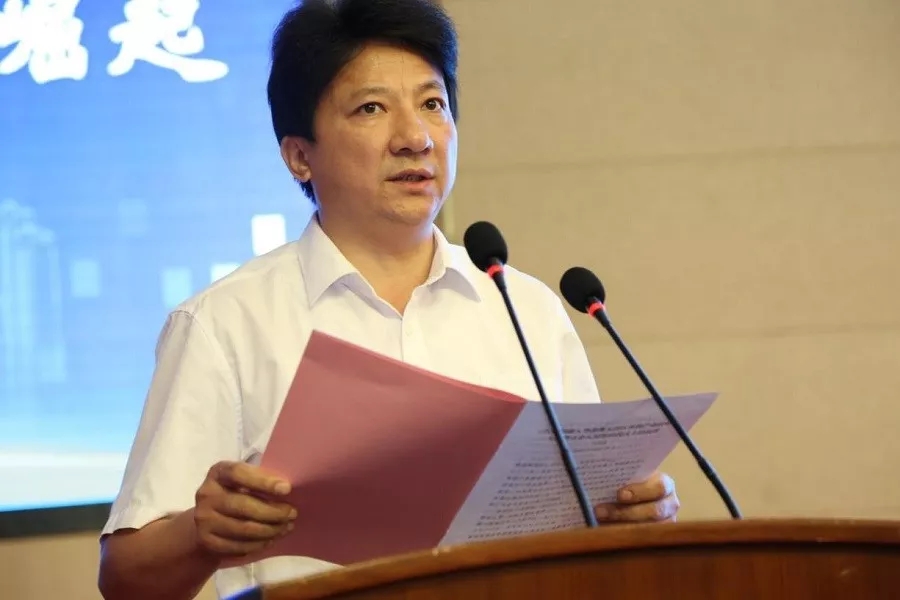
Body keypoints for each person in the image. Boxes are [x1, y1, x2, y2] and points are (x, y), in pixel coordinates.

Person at [97, 0, 680, 598]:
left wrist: (631, 515)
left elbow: (589, 534)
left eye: (433, 105)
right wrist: (201, 533)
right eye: (371, 108)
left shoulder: (527, 309)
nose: (416, 138)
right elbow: (125, 579)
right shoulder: (225, 323)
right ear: (299, 154)